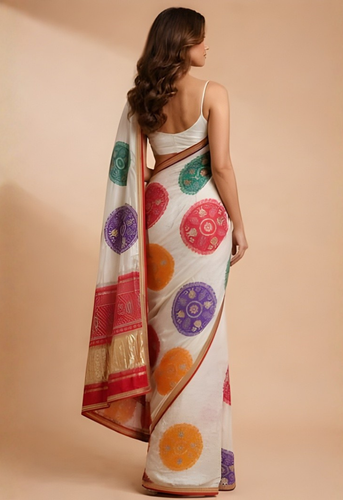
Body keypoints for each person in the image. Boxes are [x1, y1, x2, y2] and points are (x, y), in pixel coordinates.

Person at [81, 7, 248, 497]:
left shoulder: (142, 98)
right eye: (201, 39)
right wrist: (240, 223)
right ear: (183, 44)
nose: (207, 47)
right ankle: (189, 470)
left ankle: (169, 464)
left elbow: (139, 168)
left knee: (167, 335)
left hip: (157, 216)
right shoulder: (213, 92)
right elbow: (222, 166)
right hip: (202, 220)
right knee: (200, 337)